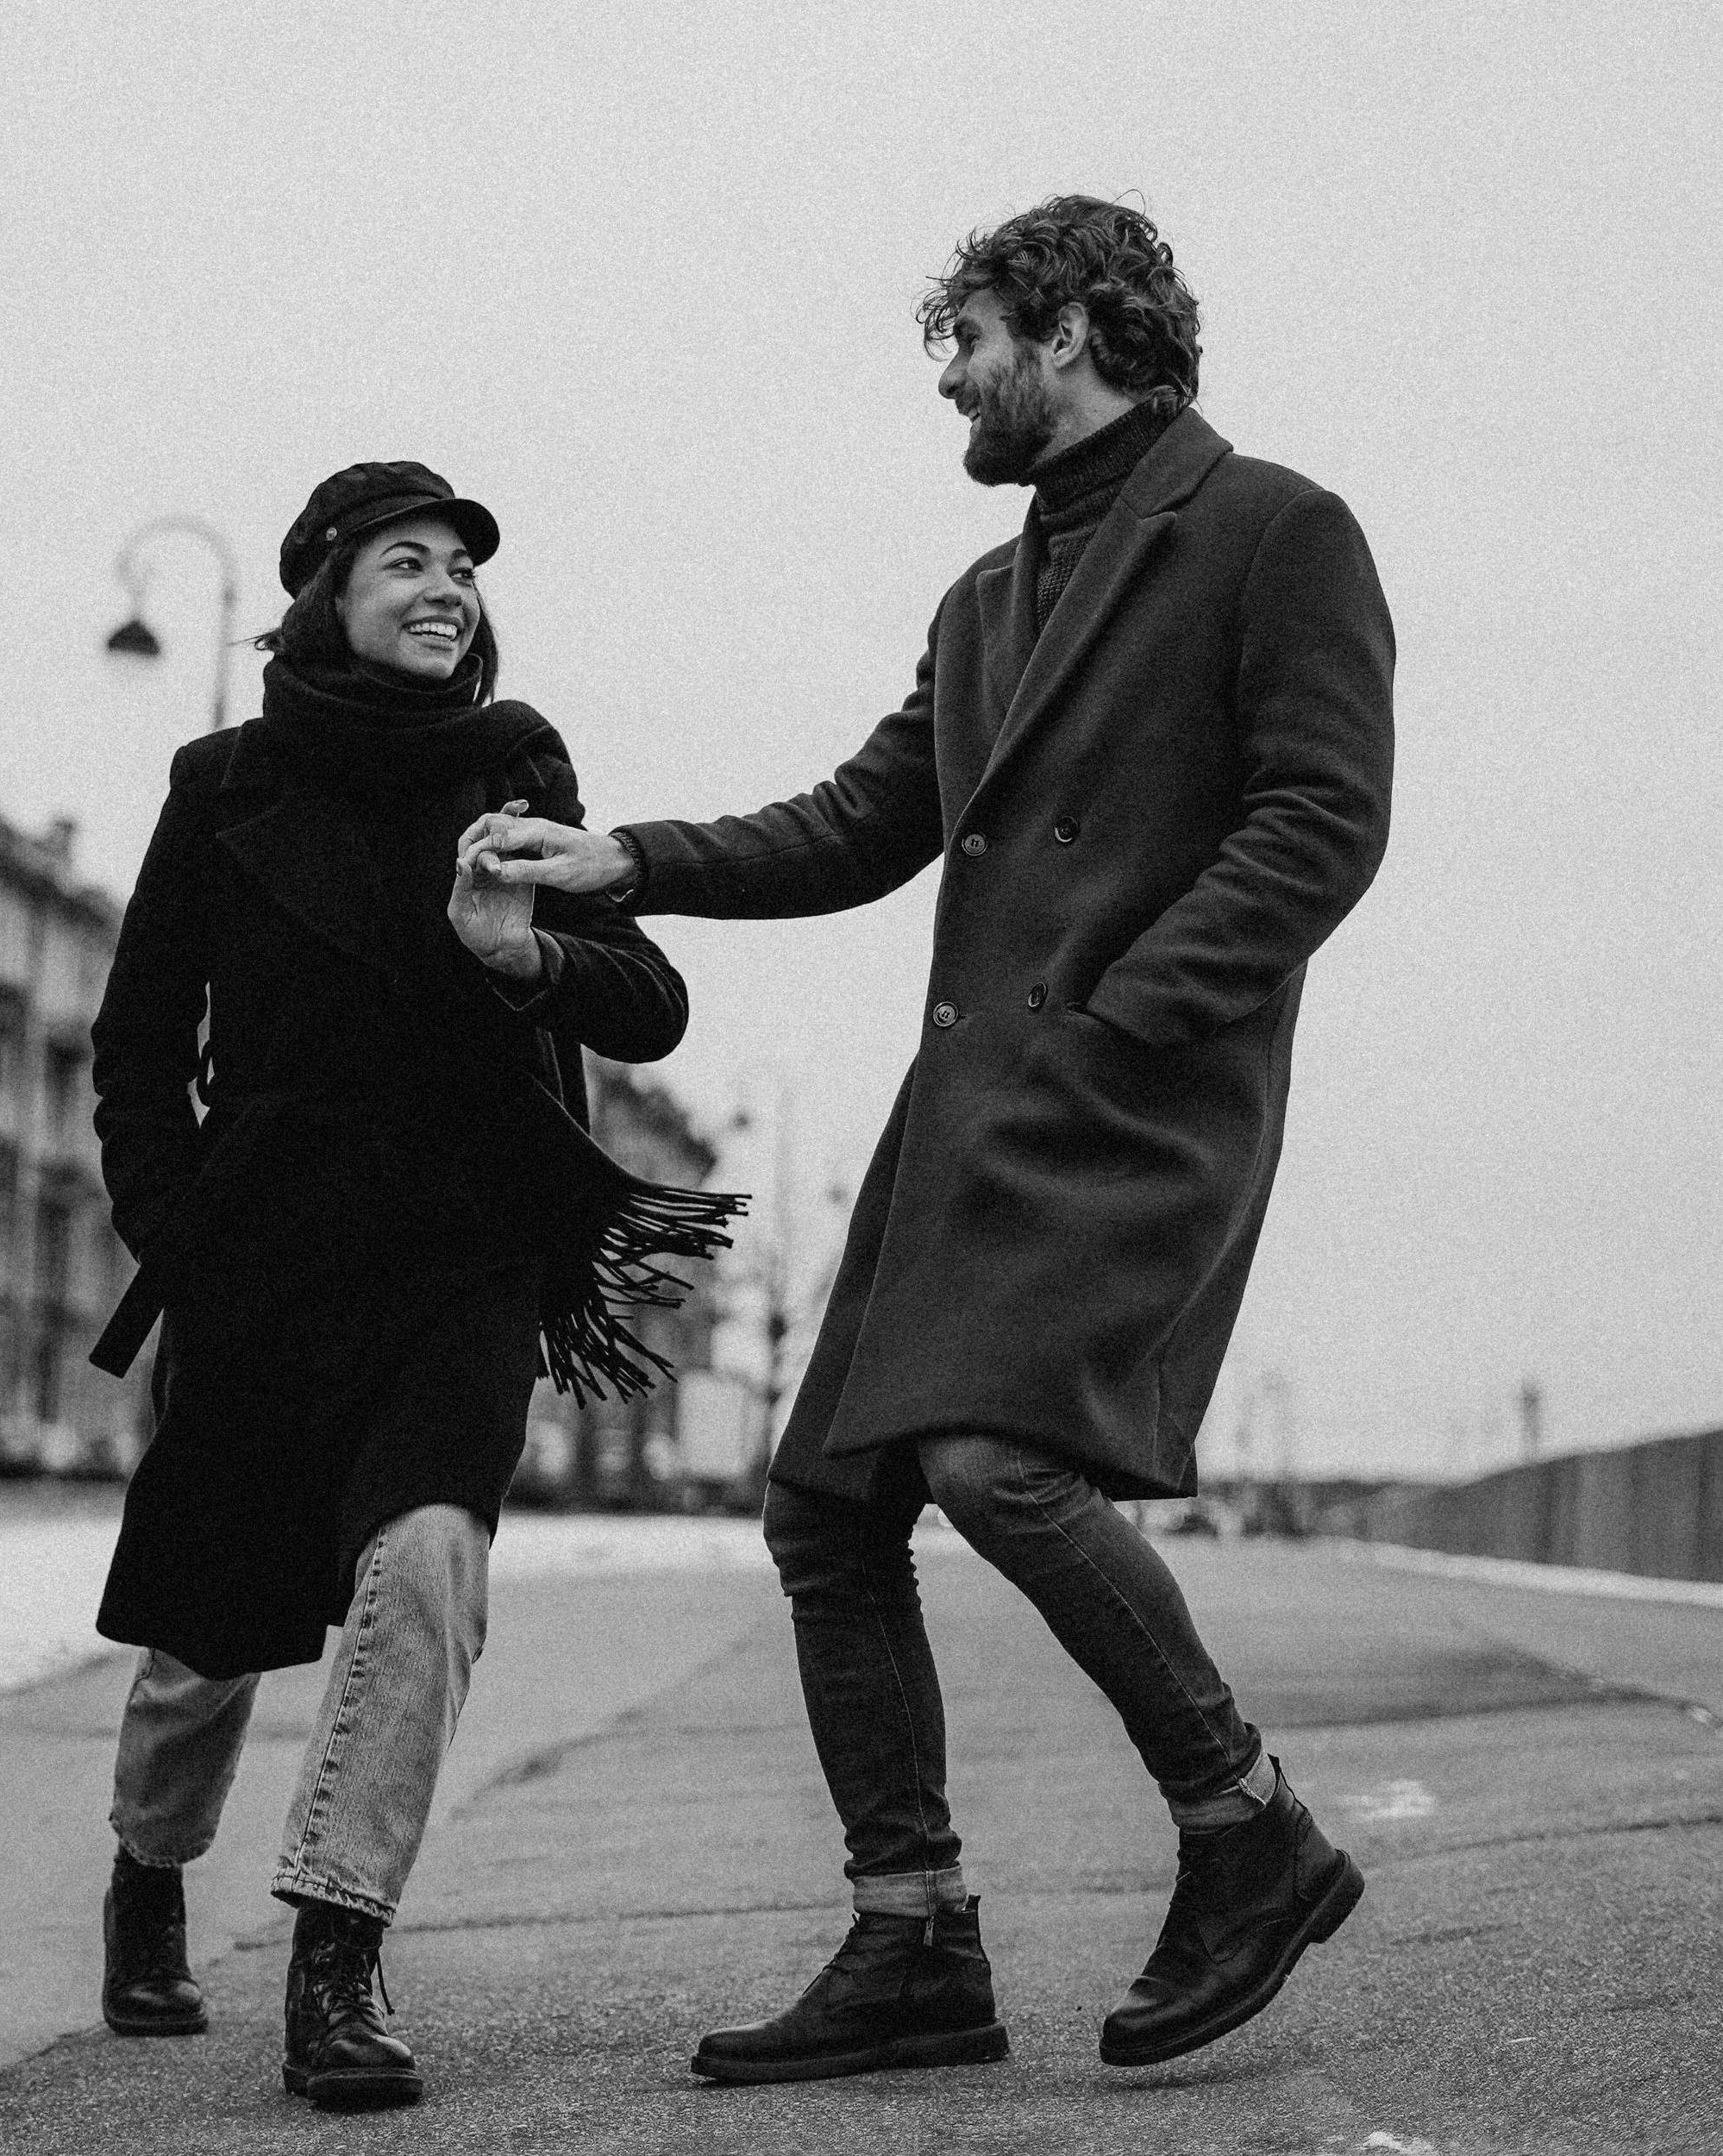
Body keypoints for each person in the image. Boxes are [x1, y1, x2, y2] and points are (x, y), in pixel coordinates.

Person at [461, 196, 1396, 2084]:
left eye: (966, 340)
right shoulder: (985, 597)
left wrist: (1126, 1010)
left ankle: (1246, 1824)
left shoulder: (1274, 530)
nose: (949, 382)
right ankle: (911, 1937)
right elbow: (859, 821)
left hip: (1128, 1103)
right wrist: (624, 861)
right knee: (823, 1509)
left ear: (1068, 328)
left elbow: (1321, 817)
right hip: (969, 1115)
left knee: (996, 1462)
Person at [85, 461, 739, 2112]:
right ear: (325, 592)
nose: (445, 586)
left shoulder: (515, 765)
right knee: (206, 1624)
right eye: (406, 561)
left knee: (431, 1563)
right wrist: (177, 1226)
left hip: (463, 1243)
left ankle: (338, 1949)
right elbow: (140, 1039)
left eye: (461, 564)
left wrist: (524, 953)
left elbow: (648, 999)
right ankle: (149, 1873)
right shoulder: (223, 781)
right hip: (266, 1249)